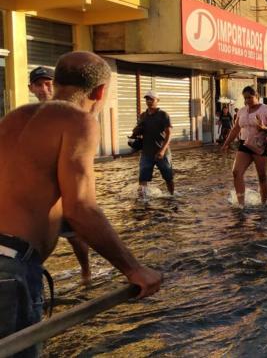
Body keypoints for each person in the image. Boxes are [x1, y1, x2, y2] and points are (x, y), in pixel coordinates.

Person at [0, 52, 162, 355]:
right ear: (100, 92)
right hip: (9, 269)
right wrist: (134, 269)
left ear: (56, 81)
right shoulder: (79, 120)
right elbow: (80, 208)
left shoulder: (13, 118)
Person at [27, 67, 92, 284]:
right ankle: (35, 278)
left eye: (48, 83)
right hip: (37, 189)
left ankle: (86, 272)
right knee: (32, 238)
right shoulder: (26, 116)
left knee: (74, 236)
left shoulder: (67, 114)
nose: (44, 88)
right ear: (31, 88)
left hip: (63, 186)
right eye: (39, 84)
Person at [221, 86, 267, 206]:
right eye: (245, 98)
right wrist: (226, 143)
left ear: (256, 96)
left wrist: (263, 128)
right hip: (245, 144)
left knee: (262, 176)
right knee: (236, 172)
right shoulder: (242, 111)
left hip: (261, 145)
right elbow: (236, 129)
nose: (247, 100)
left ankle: (263, 204)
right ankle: (241, 204)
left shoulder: (266, 110)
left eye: (250, 97)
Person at [134, 91, 174, 196]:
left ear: (157, 101)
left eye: (151, 99)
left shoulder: (163, 115)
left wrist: (162, 150)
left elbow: (169, 134)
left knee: (168, 178)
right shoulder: (142, 116)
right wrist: (136, 131)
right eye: (147, 99)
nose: (149, 101)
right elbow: (137, 132)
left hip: (162, 153)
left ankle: (172, 196)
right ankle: (143, 202)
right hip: (146, 153)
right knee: (143, 180)